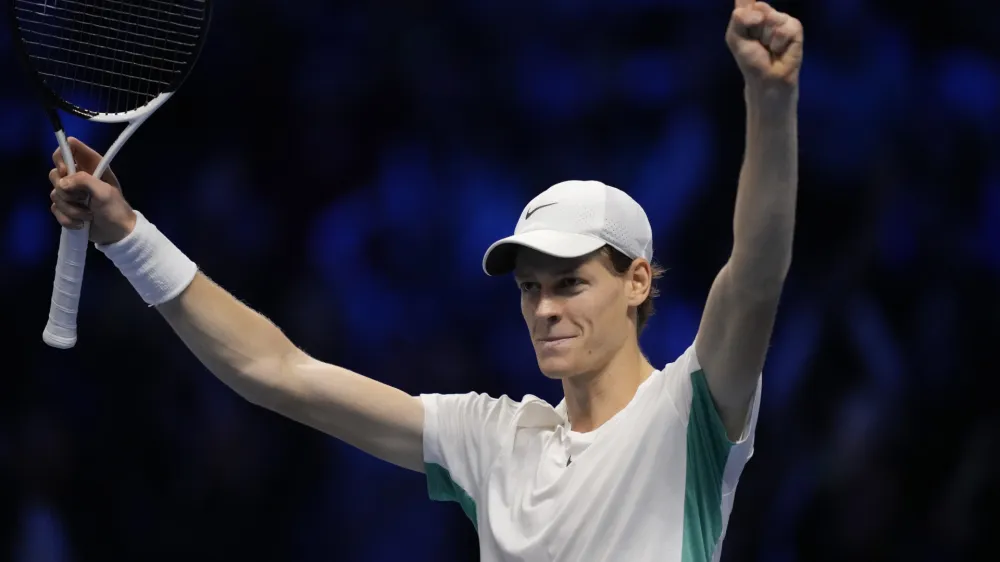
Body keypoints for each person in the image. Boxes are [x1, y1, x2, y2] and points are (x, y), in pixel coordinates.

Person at [46, 1, 802, 560]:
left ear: (637, 282)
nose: (543, 308)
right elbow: (278, 371)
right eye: (529, 288)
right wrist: (127, 236)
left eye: (569, 284)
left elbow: (756, 275)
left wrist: (769, 101)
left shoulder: (688, 415)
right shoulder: (493, 442)